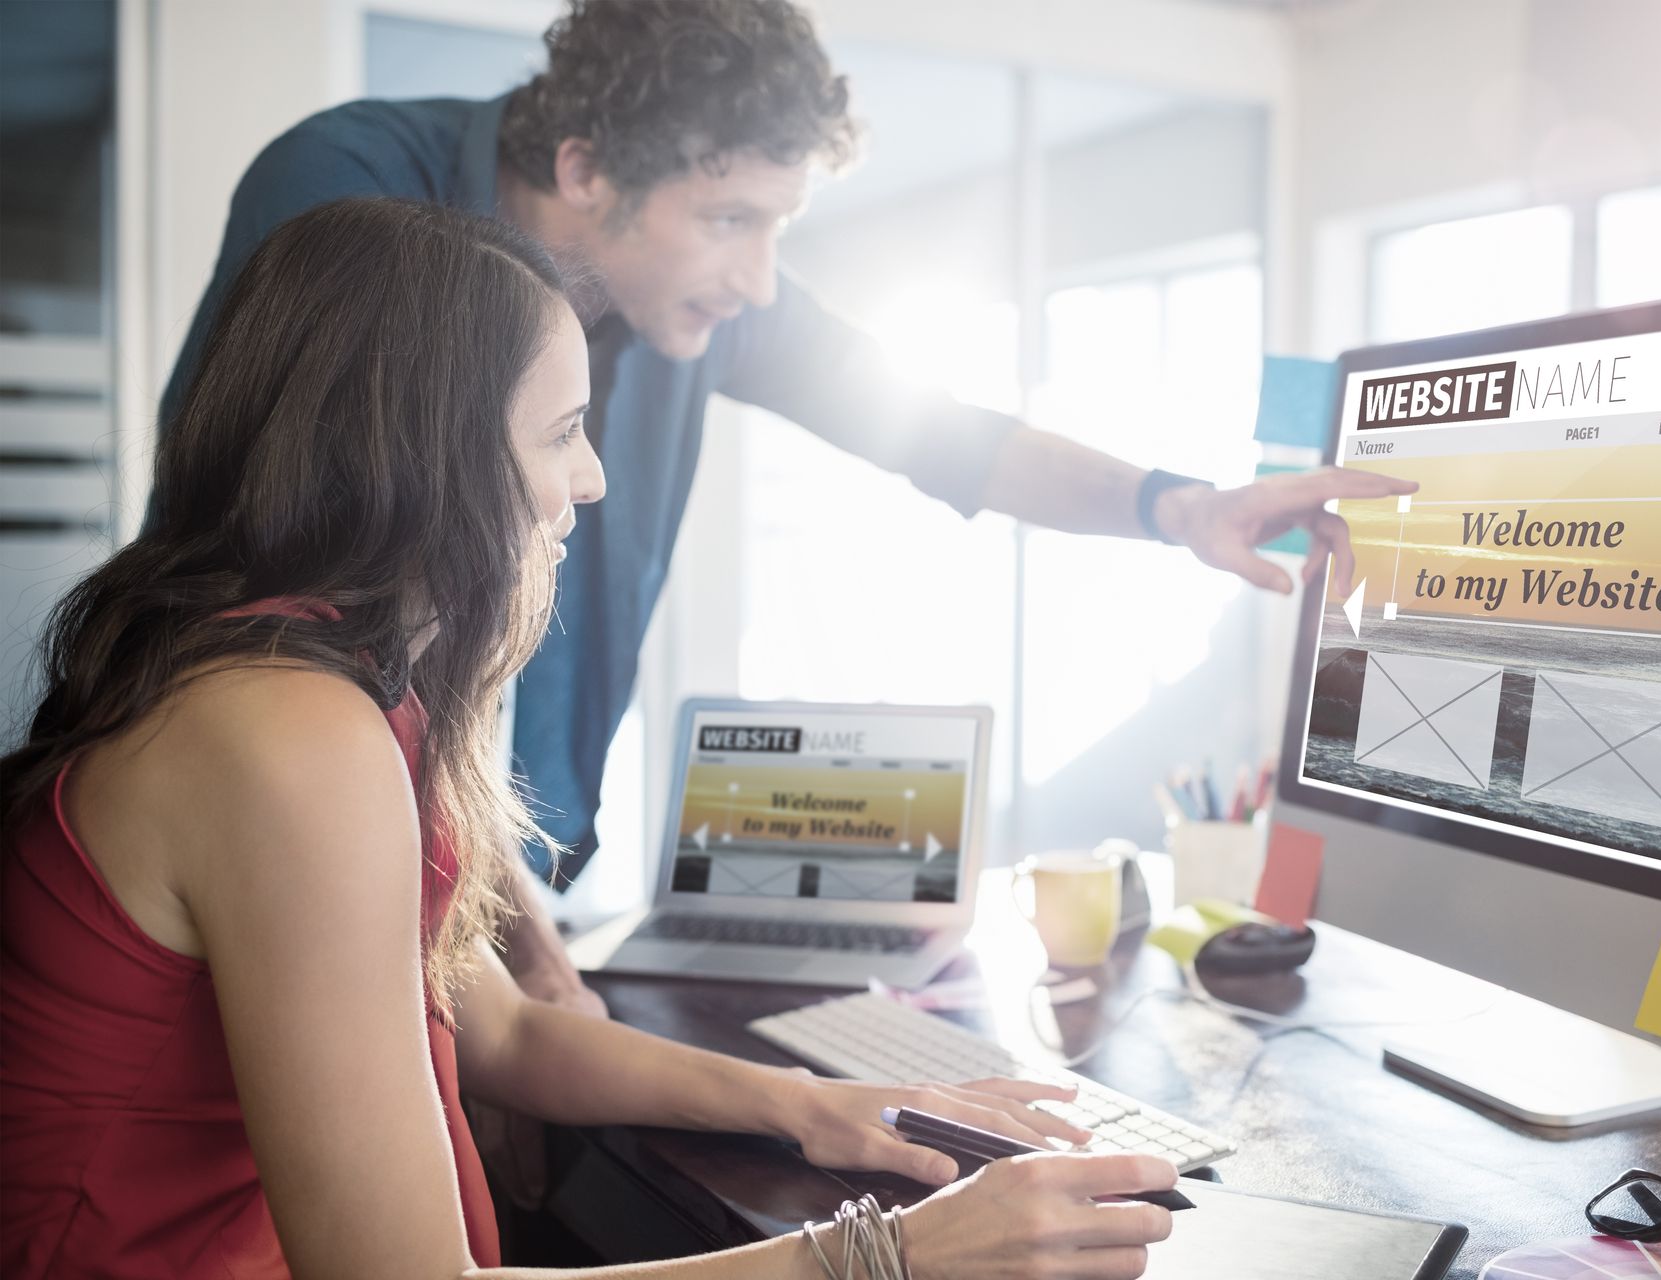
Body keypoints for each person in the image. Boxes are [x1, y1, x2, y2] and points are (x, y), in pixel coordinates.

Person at [157, 0, 1417, 1012]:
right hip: (317, 851)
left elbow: (937, 429)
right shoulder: (355, 193)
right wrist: (521, 977)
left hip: (512, 889)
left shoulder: (694, 299)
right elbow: (295, 582)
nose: (759, 277)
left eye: (778, 226)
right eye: (729, 219)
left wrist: (1177, 507)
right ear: (586, 168)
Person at [0, 196, 1177, 1279]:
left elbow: (495, 1024)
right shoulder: (286, 734)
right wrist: (888, 1255)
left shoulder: (312, 684)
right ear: (431, 454)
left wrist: (814, 1105)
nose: (595, 477)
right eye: (563, 430)